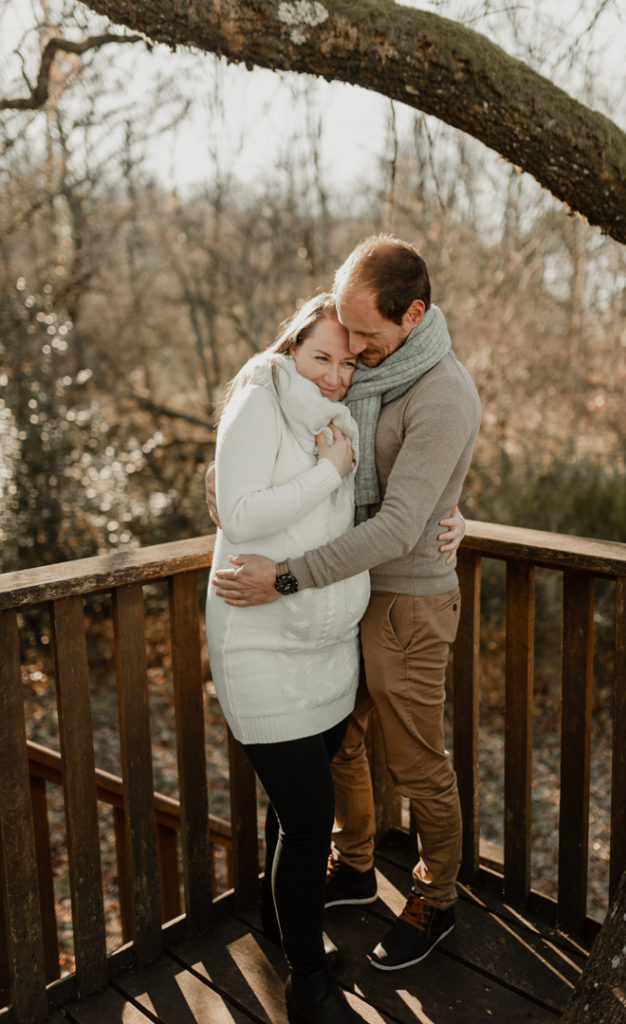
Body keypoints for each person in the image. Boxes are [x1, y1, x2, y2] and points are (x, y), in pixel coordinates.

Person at [212, 235, 481, 973]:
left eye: (366, 334)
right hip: (349, 594)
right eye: (345, 331)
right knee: (348, 743)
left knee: (420, 761)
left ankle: (438, 896)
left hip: (407, 601)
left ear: (413, 314)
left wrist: (288, 575)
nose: (354, 350)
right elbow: (287, 451)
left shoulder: (442, 391)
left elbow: (400, 523)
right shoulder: (368, 372)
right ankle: (356, 867)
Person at [205, 293, 371, 1024]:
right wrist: (330, 471)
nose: (336, 375)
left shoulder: (338, 419)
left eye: (348, 360)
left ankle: (285, 929)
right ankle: (307, 980)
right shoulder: (259, 401)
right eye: (321, 357)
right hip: (262, 646)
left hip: (329, 651)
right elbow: (241, 517)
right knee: (310, 818)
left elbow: (358, 519)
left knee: (290, 819)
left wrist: (449, 520)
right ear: (292, 349)